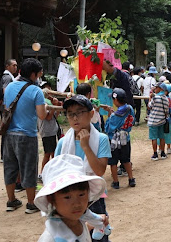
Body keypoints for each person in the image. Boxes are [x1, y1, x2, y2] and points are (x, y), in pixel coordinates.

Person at [56, 95, 112, 242]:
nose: (75, 118)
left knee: (98, 237)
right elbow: (57, 173)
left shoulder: (101, 139)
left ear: (91, 114)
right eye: (70, 113)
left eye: (80, 112)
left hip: (94, 197)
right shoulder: (63, 143)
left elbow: (100, 171)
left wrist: (86, 146)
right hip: (69, 198)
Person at [2, 58, 51, 214]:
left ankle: (11, 200)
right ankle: (31, 203)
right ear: (33, 74)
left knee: (10, 167)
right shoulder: (35, 91)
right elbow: (42, 115)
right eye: (38, 74)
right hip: (27, 135)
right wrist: (48, 109)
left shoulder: (9, 87)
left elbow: (6, 107)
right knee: (29, 168)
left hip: (9, 134)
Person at [35, 154, 109, 242]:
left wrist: (95, 223)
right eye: (67, 197)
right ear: (51, 199)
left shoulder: (79, 221)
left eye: (81, 195)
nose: (77, 203)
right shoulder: (50, 238)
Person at [105, 88, 136, 189]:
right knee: (126, 160)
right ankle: (131, 179)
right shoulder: (130, 108)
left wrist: (109, 115)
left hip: (114, 140)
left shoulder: (114, 116)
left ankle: (116, 182)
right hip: (125, 138)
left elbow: (108, 129)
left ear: (116, 100)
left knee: (113, 162)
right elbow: (132, 120)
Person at [38, 90, 61, 180]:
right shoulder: (42, 104)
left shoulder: (49, 103)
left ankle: (52, 172)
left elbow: (56, 115)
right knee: (48, 153)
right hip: (47, 132)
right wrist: (52, 108)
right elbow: (48, 117)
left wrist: (57, 105)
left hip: (52, 131)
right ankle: (42, 173)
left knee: (53, 153)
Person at [147, 82, 169, 161]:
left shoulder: (155, 98)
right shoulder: (166, 99)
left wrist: (150, 98)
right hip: (162, 120)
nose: (155, 89)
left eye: (156, 87)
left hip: (153, 121)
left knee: (154, 138)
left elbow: (149, 106)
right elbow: (166, 110)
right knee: (162, 137)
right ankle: (163, 153)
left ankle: (155, 154)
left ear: (160, 89)